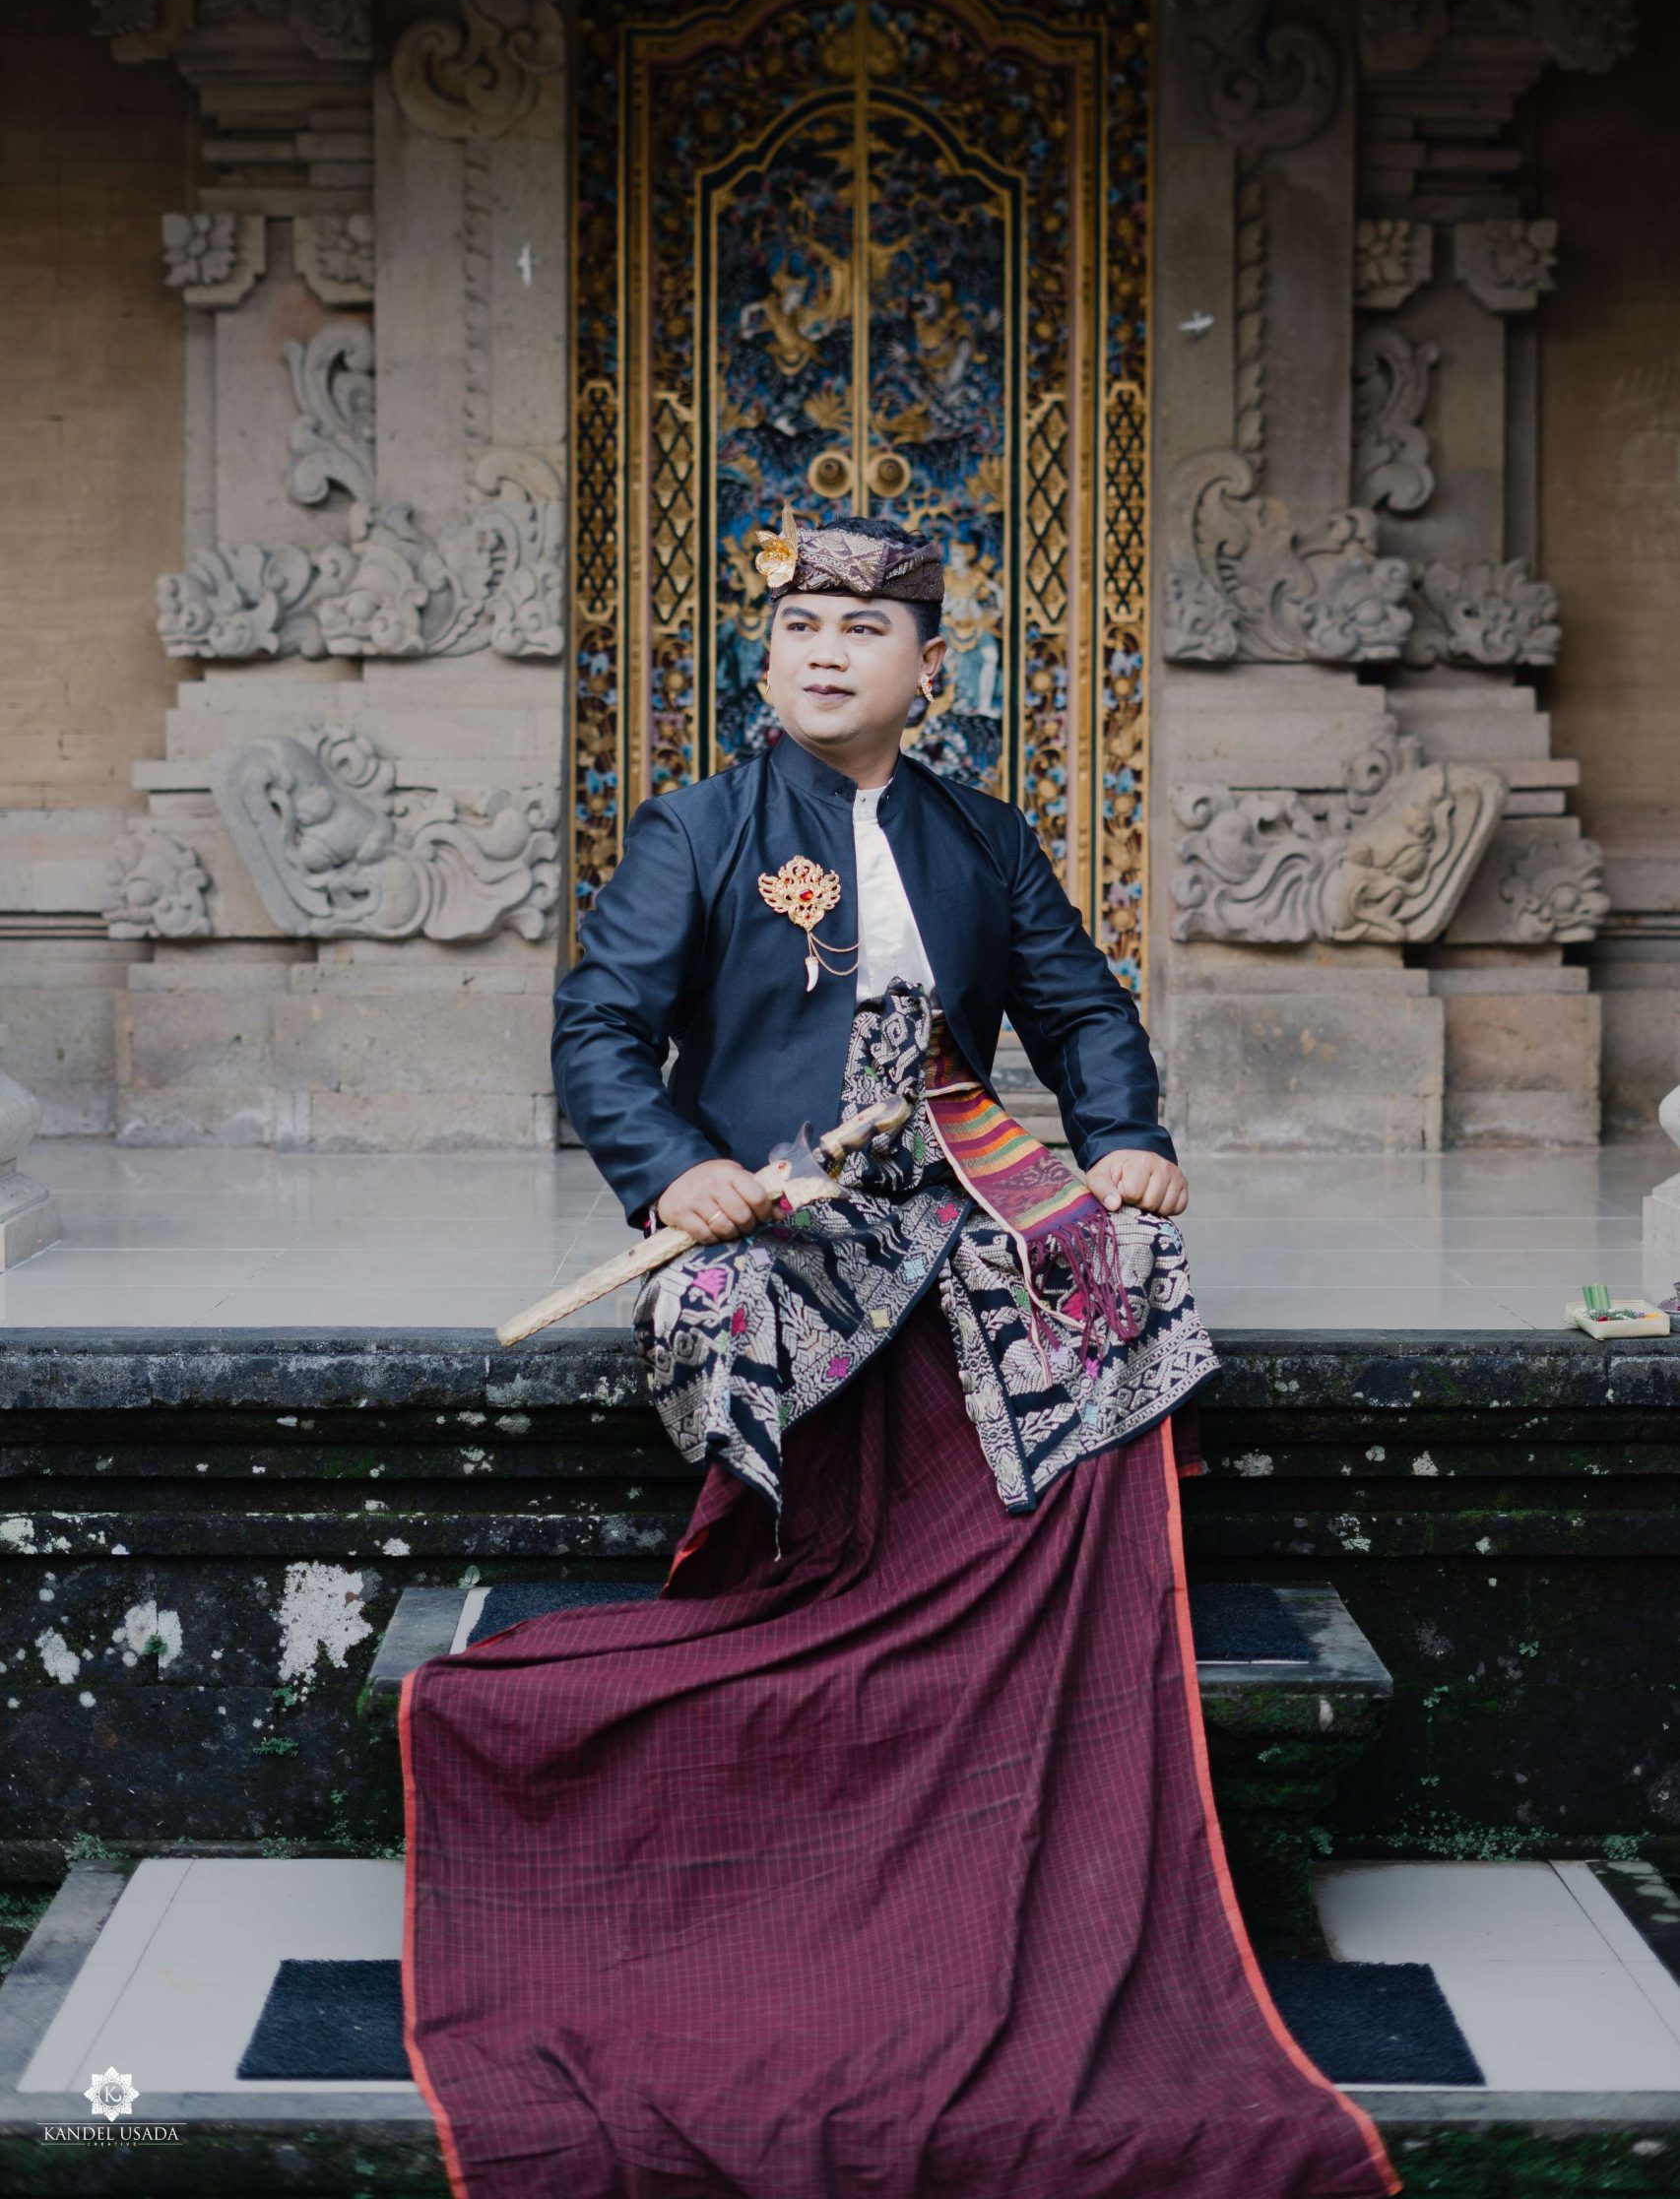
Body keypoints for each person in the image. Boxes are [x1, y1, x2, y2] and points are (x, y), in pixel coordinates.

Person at [399, 508, 1398, 2199]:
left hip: (952, 1179)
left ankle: (1030, 1597)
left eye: (864, 633)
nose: (824, 654)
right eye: (800, 629)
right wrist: (674, 1171)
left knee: (1125, 1258)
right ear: (767, 655)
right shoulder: (701, 825)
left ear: (930, 670)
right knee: (728, 1303)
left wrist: (1125, 1138)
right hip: (770, 1202)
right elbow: (601, 1030)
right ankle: (815, 1585)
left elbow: (1080, 1010)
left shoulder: (981, 836)